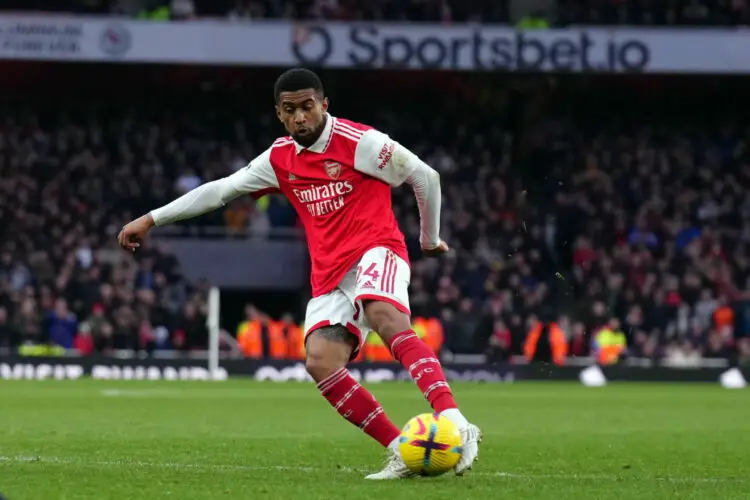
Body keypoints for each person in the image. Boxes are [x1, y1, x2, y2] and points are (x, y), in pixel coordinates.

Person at [117, 68, 482, 479]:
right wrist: (151, 219)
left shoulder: (360, 142)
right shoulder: (278, 159)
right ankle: (404, 450)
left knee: (384, 315)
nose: (300, 118)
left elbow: (425, 176)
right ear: (279, 114)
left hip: (377, 250)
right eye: (290, 110)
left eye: (308, 107)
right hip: (329, 274)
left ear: (324, 105)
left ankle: (456, 423)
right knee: (321, 362)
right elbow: (220, 190)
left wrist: (429, 239)